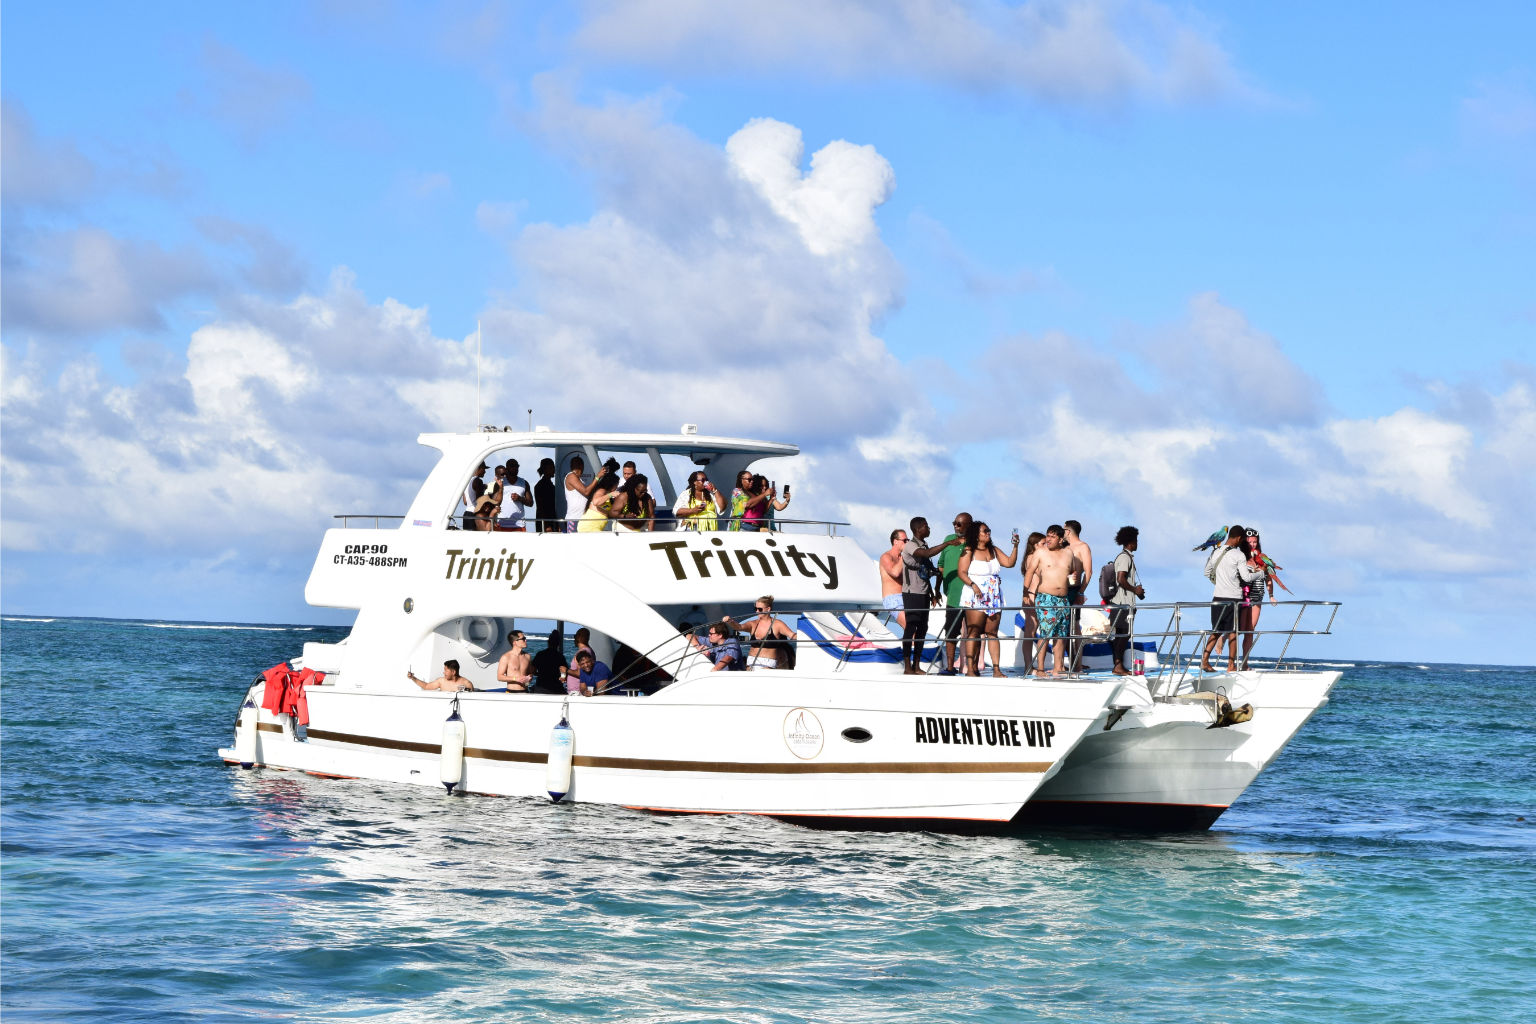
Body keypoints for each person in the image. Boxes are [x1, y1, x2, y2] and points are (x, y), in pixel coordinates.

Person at [957, 522, 1019, 677]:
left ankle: (997, 669)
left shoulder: (994, 550)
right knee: (973, 632)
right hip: (975, 593)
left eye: (989, 530)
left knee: (992, 633)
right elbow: (962, 572)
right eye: (985, 531)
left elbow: (1010, 563)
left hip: (993, 594)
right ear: (976, 534)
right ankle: (971, 668)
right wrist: (973, 585)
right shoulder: (968, 550)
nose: (988, 533)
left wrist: (1016, 547)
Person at [1203, 526, 1265, 672]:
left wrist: (1221, 582)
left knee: (1216, 631)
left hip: (1217, 597)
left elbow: (1207, 572)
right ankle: (1231, 666)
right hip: (1233, 598)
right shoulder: (1238, 555)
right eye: (1241, 540)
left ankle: (1204, 661)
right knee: (1233, 633)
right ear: (1238, 538)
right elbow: (1246, 577)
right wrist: (1260, 574)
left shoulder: (1216, 552)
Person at [899, 517, 957, 675]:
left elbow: (929, 571)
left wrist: (933, 592)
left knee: (923, 628)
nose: (929, 528)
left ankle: (916, 665)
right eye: (926, 526)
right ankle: (907, 666)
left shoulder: (924, 544)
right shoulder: (911, 545)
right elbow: (925, 554)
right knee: (911, 626)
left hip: (924, 592)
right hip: (912, 593)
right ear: (918, 529)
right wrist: (947, 544)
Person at [1025, 525, 1078, 676]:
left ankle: (1058, 668)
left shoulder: (1068, 553)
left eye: (1052, 537)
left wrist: (1072, 579)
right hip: (1046, 598)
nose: (1048, 539)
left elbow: (1072, 571)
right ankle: (1040, 668)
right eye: (1047, 535)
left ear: (1061, 539)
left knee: (1061, 635)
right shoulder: (1041, 552)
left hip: (1063, 599)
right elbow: (1029, 571)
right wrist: (1025, 592)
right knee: (1046, 634)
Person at [938, 512, 973, 675]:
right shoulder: (948, 540)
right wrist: (939, 588)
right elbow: (941, 566)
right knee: (951, 633)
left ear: (969, 525)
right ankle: (950, 667)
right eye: (954, 523)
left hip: (972, 597)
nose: (955, 526)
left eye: (959, 524)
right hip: (952, 596)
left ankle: (971, 668)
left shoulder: (975, 542)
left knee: (973, 632)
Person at [1108, 526, 1145, 677]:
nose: (1137, 543)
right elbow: (1121, 579)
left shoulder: (1126, 557)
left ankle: (1118, 665)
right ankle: (1118, 666)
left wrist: (1137, 592)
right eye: (1136, 540)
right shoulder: (1124, 557)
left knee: (1123, 635)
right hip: (1122, 603)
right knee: (1123, 635)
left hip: (1123, 603)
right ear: (1131, 541)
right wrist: (1135, 590)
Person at [723, 595, 797, 669]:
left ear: (768, 609)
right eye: (755, 608)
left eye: (760, 609)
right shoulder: (753, 624)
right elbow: (740, 627)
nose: (757, 611)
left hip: (768, 664)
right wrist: (730, 622)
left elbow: (792, 635)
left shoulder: (777, 624)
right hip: (751, 662)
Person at [1240, 528, 1273, 670]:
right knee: (1238, 629)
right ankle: (1223, 641)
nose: (1252, 544)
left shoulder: (1262, 558)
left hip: (1258, 597)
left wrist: (1271, 596)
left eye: (1255, 542)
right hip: (1244, 597)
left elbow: (1269, 579)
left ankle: (1244, 663)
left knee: (1250, 630)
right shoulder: (1240, 558)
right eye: (1249, 542)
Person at [1019, 531, 1045, 672]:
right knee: (1030, 632)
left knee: (1034, 631)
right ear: (1035, 545)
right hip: (1031, 596)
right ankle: (1028, 665)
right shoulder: (1031, 557)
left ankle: (1031, 665)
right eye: (1042, 543)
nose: (1045, 546)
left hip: (1036, 596)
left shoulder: (1036, 557)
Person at [879, 528, 908, 630]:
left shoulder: (903, 559)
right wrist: (904, 557)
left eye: (908, 540)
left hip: (906, 597)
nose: (907, 543)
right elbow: (895, 573)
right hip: (893, 599)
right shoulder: (886, 557)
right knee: (909, 627)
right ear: (895, 541)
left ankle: (910, 646)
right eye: (904, 540)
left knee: (916, 629)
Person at [576, 468, 623, 532]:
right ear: (612, 484)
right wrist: (611, 494)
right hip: (589, 527)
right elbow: (596, 502)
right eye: (616, 485)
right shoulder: (601, 491)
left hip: (596, 528)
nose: (616, 487)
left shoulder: (607, 495)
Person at [564, 456, 597, 532]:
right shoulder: (570, 476)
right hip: (574, 519)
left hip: (581, 519)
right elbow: (586, 491)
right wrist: (597, 477)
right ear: (581, 466)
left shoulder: (580, 480)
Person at [497, 459, 532, 531]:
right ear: (506, 469)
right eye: (512, 466)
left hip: (519, 524)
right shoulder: (500, 483)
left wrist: (520, 498)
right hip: (501, 523)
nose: (515, 468)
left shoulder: (524, 483)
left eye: (517, 466)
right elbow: (494, 501)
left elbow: (531, 503)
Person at [406, 659, 476, 692]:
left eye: (446, 670)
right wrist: (413, 678)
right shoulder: (441, 681)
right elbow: (426, 686)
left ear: (453, 672)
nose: (443, 672)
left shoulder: (466, 684)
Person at [534, 458, 559, 533]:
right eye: (551, 467)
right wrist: (547, 526)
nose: (554, 469)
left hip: (551, 521)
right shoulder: (540, 486)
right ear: (545, 469)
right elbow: (541, 507)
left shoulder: (550, 485)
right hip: (545, 523)